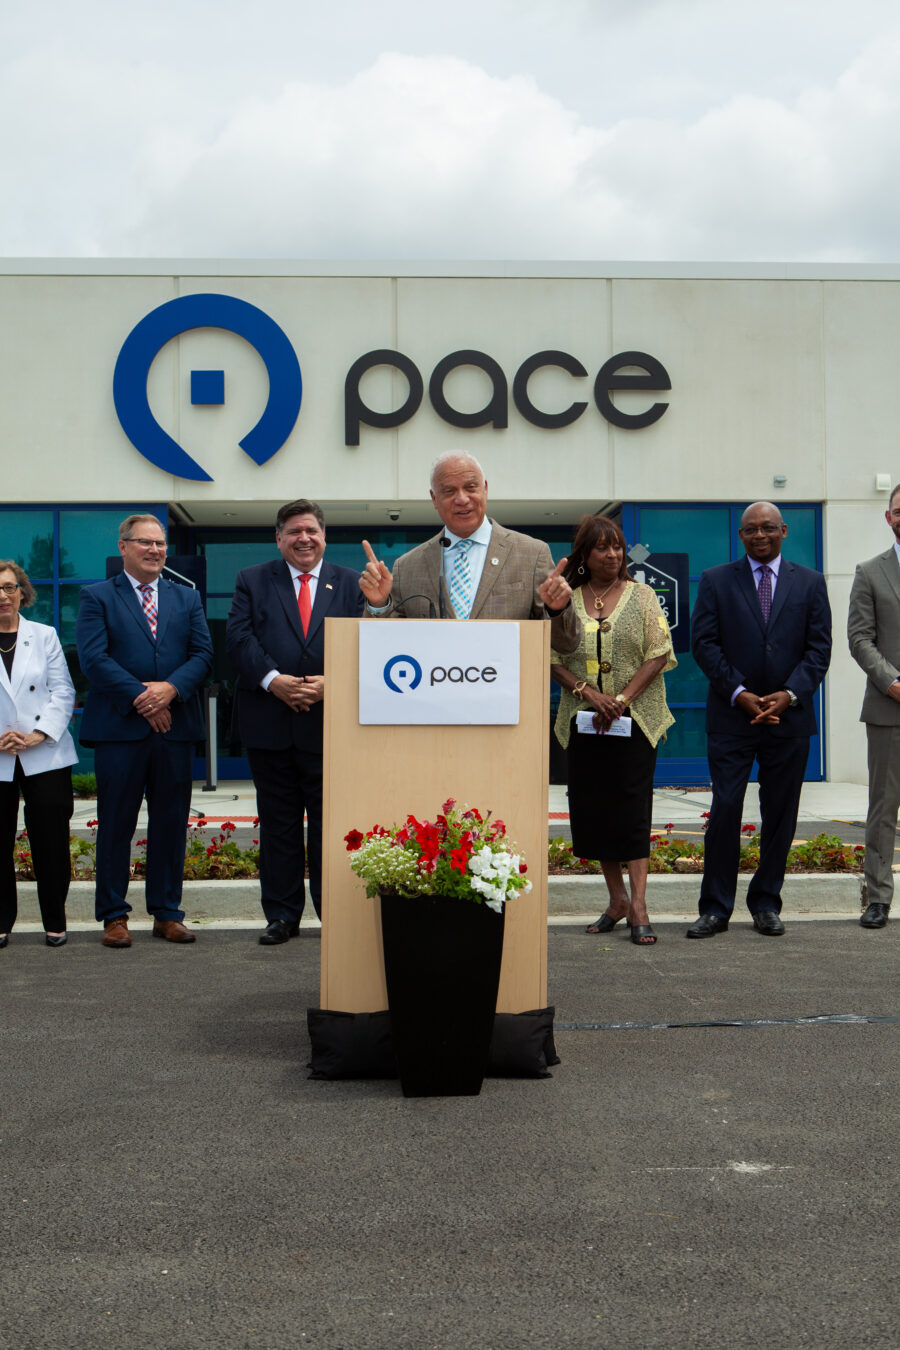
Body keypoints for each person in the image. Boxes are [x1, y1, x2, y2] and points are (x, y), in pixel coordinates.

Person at [688, 501, 832, 939]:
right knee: (726, 808)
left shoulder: (809, 582)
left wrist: (788, 695)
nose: (760, 535)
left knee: (781, 814)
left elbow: (819, 650)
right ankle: (715, 908)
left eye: (768, 527)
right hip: (733, 717)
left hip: (789, 721)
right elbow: (704, 643)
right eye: (751, 529)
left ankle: (766, 902)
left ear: (784, 530)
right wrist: (740, 693)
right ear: (741, 535)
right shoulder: (715, 580)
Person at [226, 499, 364, 944]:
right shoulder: (252, 580)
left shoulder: (351, 583)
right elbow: (239, 639)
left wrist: (332, 681)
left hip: (330, 726)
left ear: (324, 536)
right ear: (279, 538)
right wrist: (274, 680)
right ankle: (282, 916)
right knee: (279, 824)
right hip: (270, 723)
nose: (304, 538)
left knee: (330, 827)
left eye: (312, 530)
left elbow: (367, 640)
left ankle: (335, 915)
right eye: (294, 531)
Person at [75, 515, 213, 947]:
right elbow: (93, 659)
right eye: (145, 543)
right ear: (124, 547)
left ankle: (167, 913)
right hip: (121, 730)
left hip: (173, 729)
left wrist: (170, 690)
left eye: (161, 543)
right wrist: (143, 698)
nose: (155, 550)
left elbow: (203, 654)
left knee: (171, 824)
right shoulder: (97, 596)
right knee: (116, 824)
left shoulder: (186, 598)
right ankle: (114, 915)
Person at [550, 516, 675, 945]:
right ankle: (616, 900)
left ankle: (639, 905)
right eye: (602, 548)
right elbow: (550, 658)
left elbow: (659, 654)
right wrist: (588, 694)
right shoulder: (566, 600)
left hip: (634, 721)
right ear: (584, 554)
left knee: (632, 812)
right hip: (583, 723)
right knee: (595, 811)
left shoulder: (642, 597)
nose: (613, 555)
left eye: (617, 547)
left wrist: (620, 699)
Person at [358, 451, 580, 653]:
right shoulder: (408, 566)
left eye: (470, 487)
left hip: (507, 694)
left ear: (484, 488)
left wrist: (557, 610)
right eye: (449, 491)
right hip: (433, 693)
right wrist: (379, 605)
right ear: (434, 499)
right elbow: (387, 647)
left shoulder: (532, 554)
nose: (462, 499)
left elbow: (567, 644)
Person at [0, 561, 78, 948]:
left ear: (22, 593)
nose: (3, 595)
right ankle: (1, 922)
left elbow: (63, 690)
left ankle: (55, 921)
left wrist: (37, 733)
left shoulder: (44, 635)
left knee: (50, 840)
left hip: (43, 751)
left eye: (10, 587)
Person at [847, 483, 900, 929]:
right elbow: (859, 638)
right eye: (898, 511)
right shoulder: (869, 572)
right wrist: (893, 682)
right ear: (888, 518)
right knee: (884, 807)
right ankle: (878, 898)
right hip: (890, 709)